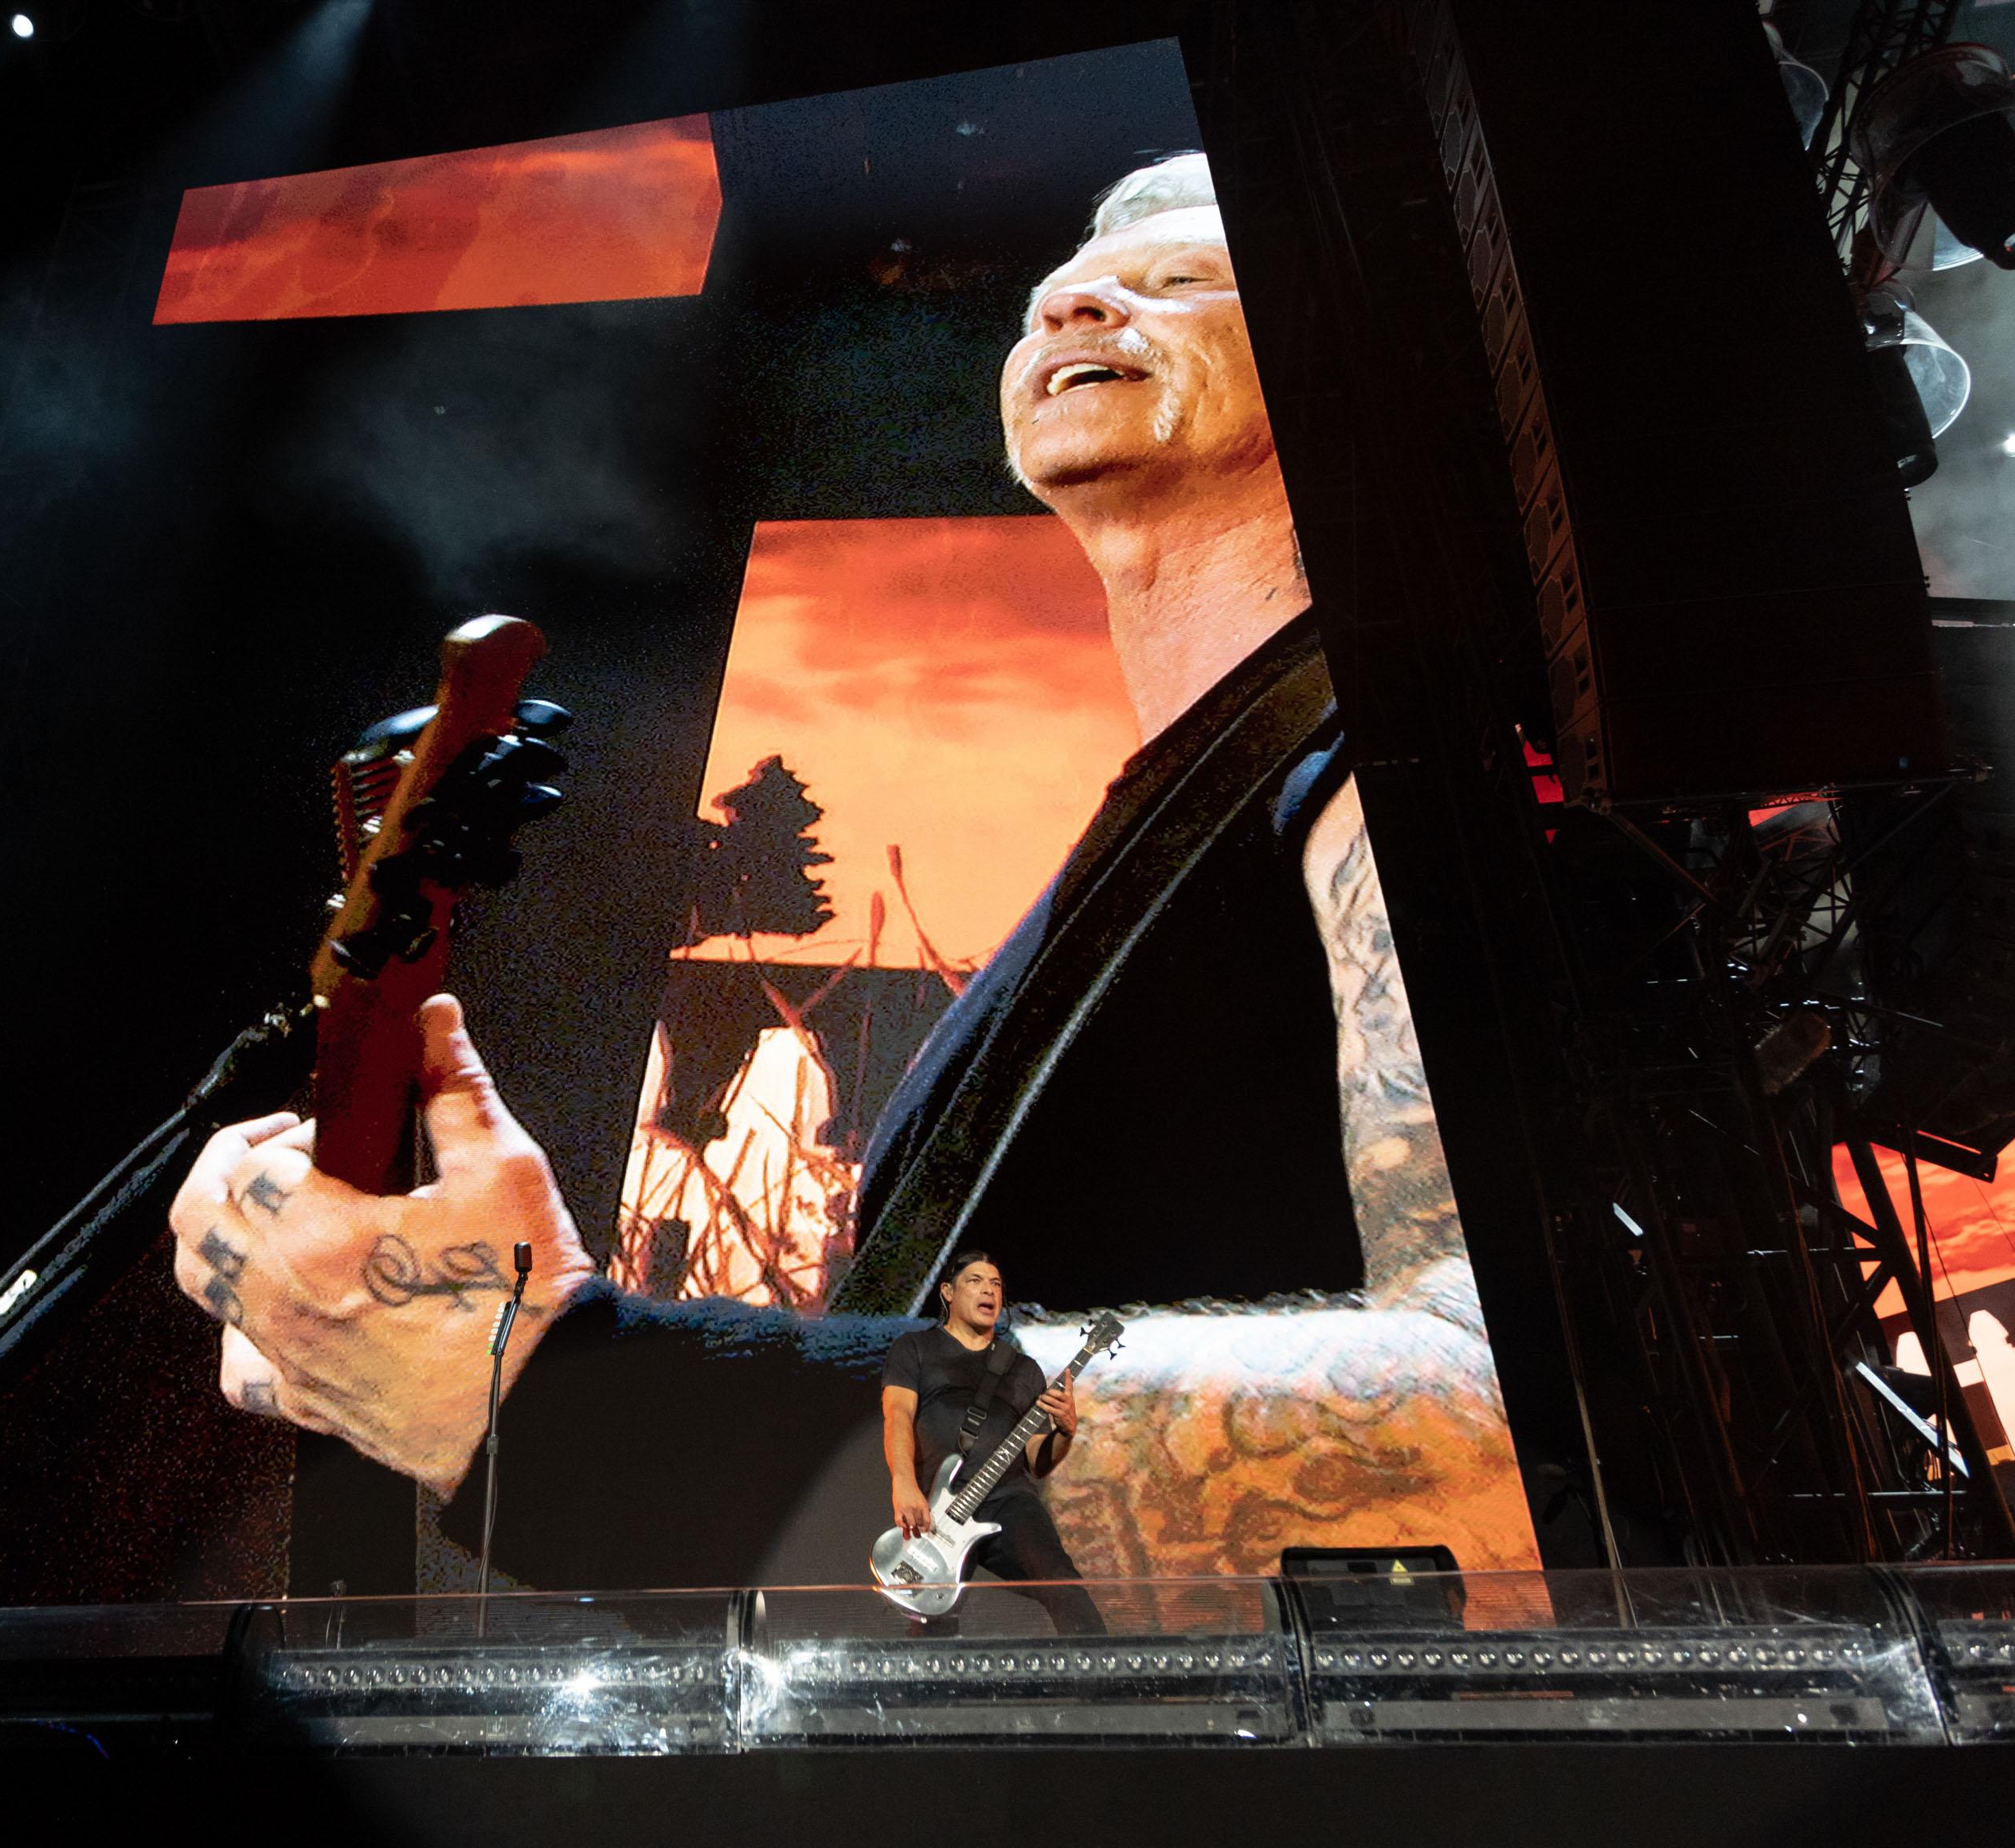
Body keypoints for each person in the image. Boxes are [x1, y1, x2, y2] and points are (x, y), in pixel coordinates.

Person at [168, 155, 1534, 1595]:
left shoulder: (1408, 760)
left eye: (1184, 280)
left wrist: (576, 1410)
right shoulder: (1161, 843)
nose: (1073, 306)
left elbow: (1527, 1422)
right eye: (1057, 296)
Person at [882, 1251, 1105, 1635]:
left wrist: (1065, 1432)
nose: (989, 1290)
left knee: (1063, 1584)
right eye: (976, 1281)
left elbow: (1036, 1460)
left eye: (996, 1284)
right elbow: (898, 1415)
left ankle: (1101, 1668)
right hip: (938, 1505)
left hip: (1008, 1499)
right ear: (948, 1292)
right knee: (932, 1620)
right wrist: (903, 1482)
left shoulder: (1023, 1369)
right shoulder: (915, 1349)